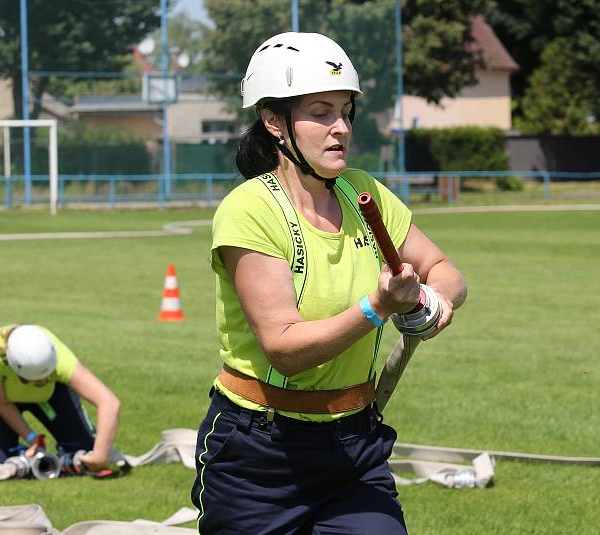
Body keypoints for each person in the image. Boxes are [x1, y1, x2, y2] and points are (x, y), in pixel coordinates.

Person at [191, 32, 467, 534]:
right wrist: (378, 305)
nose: (340, 128)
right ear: (274, 122)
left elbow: (443, 268)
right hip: (258, 454)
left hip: (353, 448)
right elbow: (285, 349)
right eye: (320, 112)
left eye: (345, 111)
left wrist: (434, 300)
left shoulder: (363, 190)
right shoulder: (249, 210)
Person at [0, 324, 121, 475]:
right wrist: (31, 438)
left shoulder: (59, 356)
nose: (39, 383)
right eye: (31, 379)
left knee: (86, 449)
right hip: (0, 396)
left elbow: (109, 402)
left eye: (45, 376)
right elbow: (2, 403)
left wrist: (99, 456)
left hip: (49, 395)